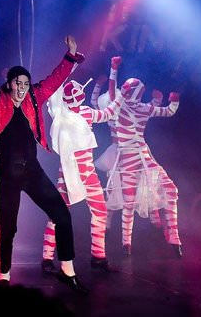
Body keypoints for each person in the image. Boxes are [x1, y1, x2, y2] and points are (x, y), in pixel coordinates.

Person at [0, 33, 88, 293]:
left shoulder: (35, 97)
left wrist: (70, 54)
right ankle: (3, 279)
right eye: (18, 83)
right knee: (8, 228)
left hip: (32, 171)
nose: (22, 88)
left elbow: (56, 79)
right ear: (10, 83)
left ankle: (67, 271)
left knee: (62, 216)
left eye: (26, 83)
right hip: (8, 175)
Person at [42, 77, 123, 273]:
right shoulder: (81, 113)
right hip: (78, 173)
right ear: (82, 97)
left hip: (79, 173)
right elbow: (109, 113)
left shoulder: (60, 113)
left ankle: (96, 256)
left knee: (92, 212)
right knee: (65, 214)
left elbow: (107, 113)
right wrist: (122, 95)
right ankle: (49, 258)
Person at [105, 76, 183, 257]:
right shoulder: (119, 107)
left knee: (170, 190)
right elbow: (111, 95)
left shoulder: (141, 108)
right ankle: (126, 243)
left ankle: (174, 237)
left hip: (143, 157)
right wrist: (113, 70)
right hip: (128, 157)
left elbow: (169, 111)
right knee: (129, 200)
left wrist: (174, 99)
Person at [91, 57, 165, 230]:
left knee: (147, 181)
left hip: (135, 149)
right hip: (118, 152)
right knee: (115, 185)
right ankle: (107, 222)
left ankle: (154, 218)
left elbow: (147, 110)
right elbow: (98, 100)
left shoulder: (127, 106)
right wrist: (112, 70)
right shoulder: (113, 108)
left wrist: (157, 102)